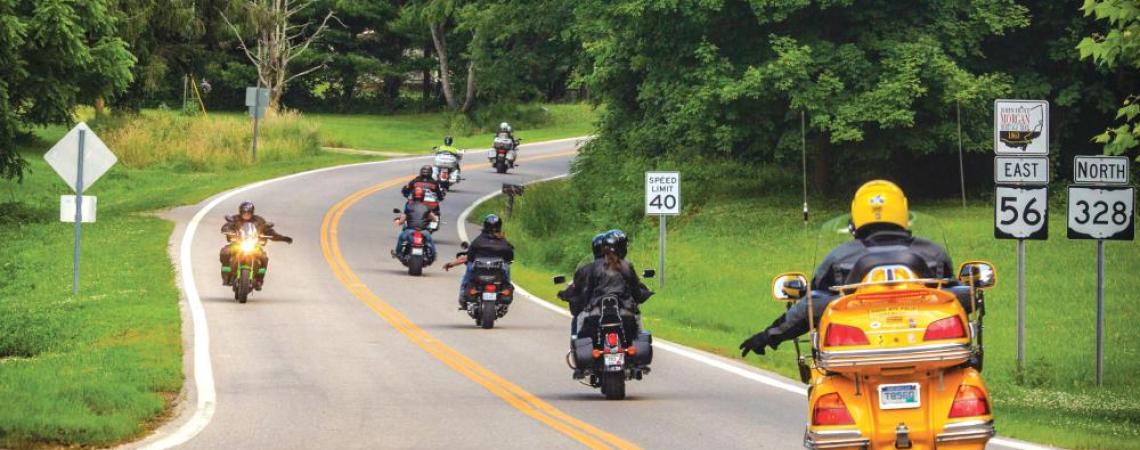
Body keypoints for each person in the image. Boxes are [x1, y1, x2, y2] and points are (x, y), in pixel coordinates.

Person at [738, 180, 955, 357]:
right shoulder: (934, 253)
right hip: (929, 349)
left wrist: (769, 335)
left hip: (857, 351)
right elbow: (955, 297)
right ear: (903, 212)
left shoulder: (839, 257)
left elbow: (811, 304)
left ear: (856, 216)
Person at [558, 230, 652, 339]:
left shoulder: (589, 268)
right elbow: (637, 294)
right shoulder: (626, 267)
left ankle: (577, 345)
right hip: (625, 314)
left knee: (580, 329)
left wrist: (570, 297)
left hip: (595, 315)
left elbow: (584, 293)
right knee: (637, 330)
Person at [443, 214, 515, 309]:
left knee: (469, 270)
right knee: (507, 268)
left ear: (485, 226)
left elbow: (470, 257)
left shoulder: (477, 241)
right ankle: (506, 285)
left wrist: (452, 264)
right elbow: (510, 257)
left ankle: (463, 293)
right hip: (497, 275)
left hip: (480, 273)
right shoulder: (504, 243)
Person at [219, 201, 293, 290]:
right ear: (240, 212)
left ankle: (259, 280)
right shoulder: (235, 219)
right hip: (238, 244)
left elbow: (269, 231)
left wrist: (283, 238)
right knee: (225, 253)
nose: (246, 215)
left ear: (252, 212)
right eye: (244, 213)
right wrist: (229, 232)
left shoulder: (259, 220)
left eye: (248, 213)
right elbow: (226, 227)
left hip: (254, 245)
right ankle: (226, 276)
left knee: (264, 258)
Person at [393, 188, 439, 259]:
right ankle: (433, 255)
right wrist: (433, 220)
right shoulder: (426, 207)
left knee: (401, 238)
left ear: (413, 196)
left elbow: (402, 221)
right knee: (430, 241)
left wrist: (398, 222)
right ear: (423, 197)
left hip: (410, 230)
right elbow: (434, 219)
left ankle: (398, 253)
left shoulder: (408, 206)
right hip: (423, 231)